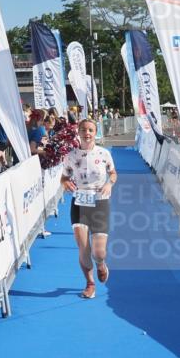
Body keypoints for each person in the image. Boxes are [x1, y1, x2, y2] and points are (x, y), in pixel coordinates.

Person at [61, 118, 118, 299]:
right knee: (83, 248)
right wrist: (65, 183)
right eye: (84, 130)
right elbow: (64, 177)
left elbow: (113, 173)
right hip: (79, 204)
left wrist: (109, 184)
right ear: (78, 132)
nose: (87, 133)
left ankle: (101, 264)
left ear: (95, 133)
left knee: (98, 253)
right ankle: (90, 283)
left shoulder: (104, 153)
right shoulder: (71, 156)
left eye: (91, 130)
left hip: (100, 203)